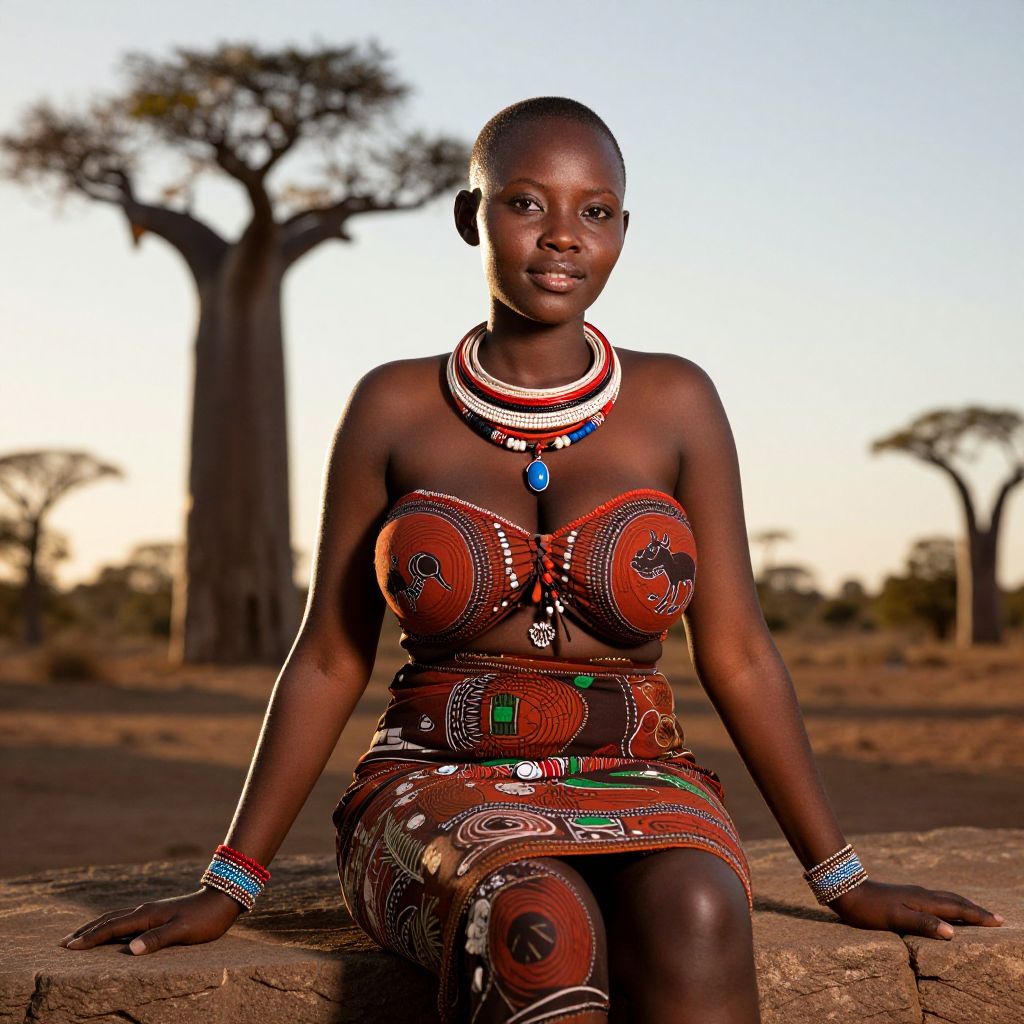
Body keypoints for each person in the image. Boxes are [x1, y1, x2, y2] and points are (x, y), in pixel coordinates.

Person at [58, 96, 1003, 1024]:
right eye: (526, 203)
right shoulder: (392, 407)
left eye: (595, 212)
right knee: (538, 921)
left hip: (638, 776)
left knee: (702, 907)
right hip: (434, 781)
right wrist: (230, 883)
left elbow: (741, 653)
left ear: (624, 230)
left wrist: (844, 878)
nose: (563, 236)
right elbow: (328, 657)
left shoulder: (679, 404)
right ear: (471, 216)